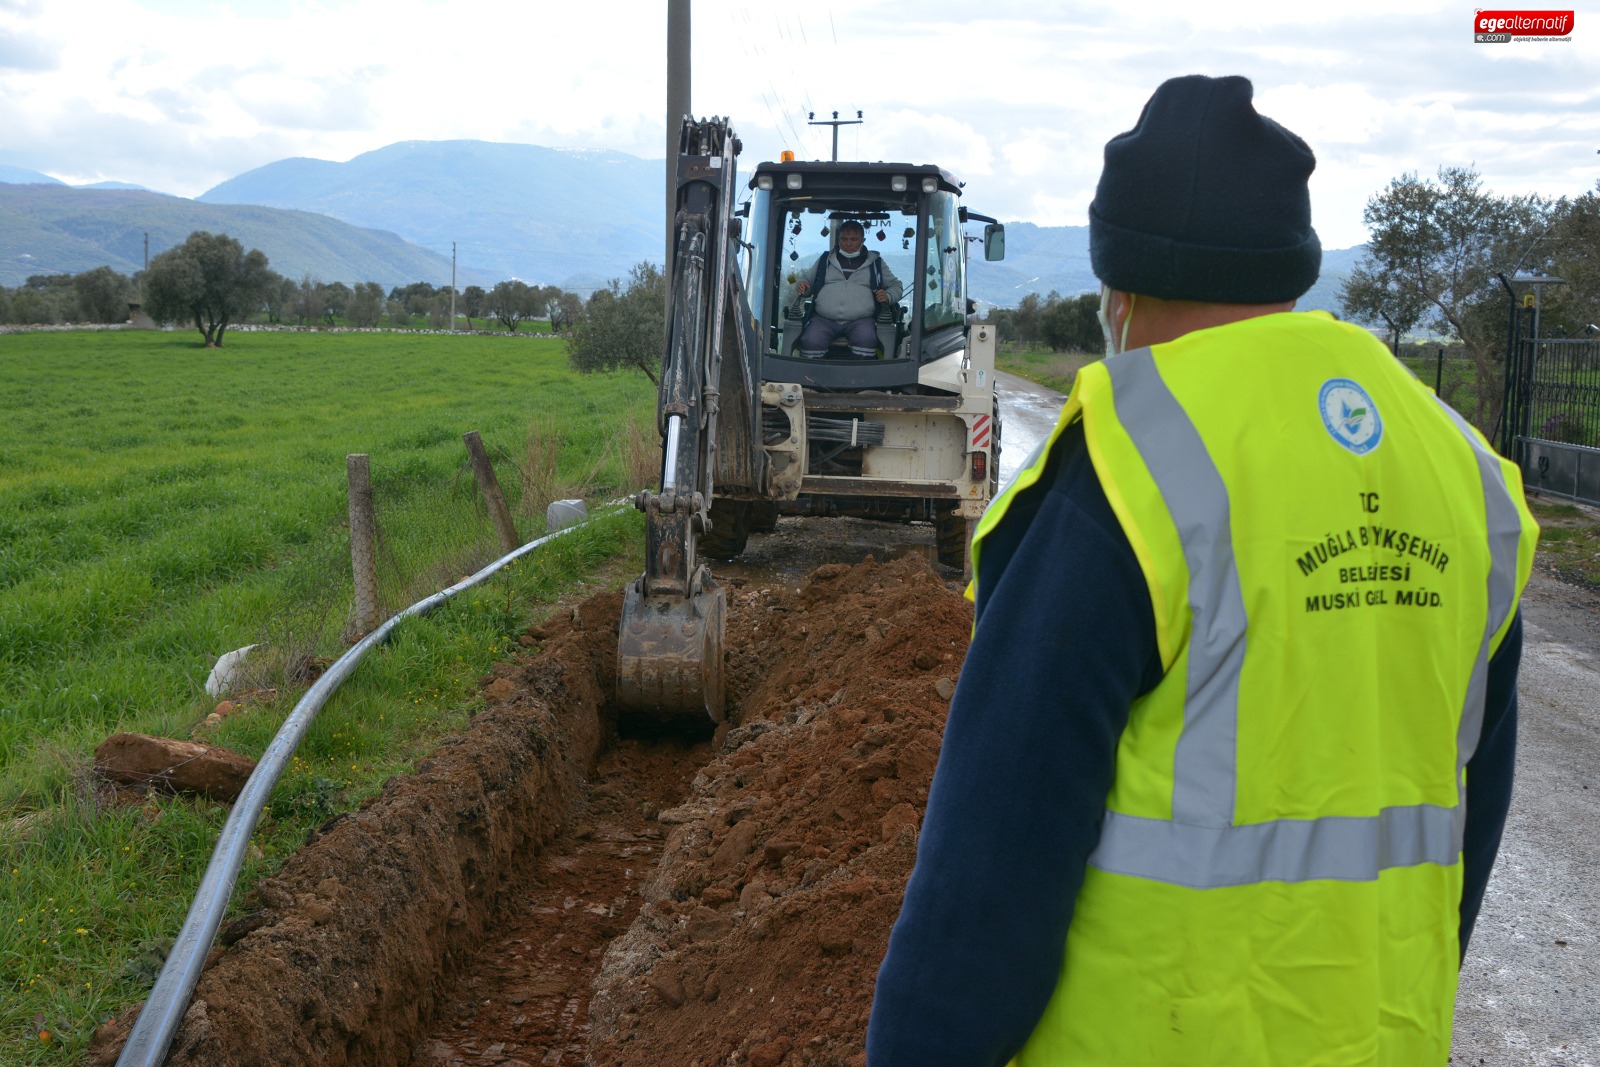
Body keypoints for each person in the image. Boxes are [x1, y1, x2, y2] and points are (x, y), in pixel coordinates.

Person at [865, 74, 1539, 1066]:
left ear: (1118, 288)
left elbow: (990, 875)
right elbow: (1470, 823)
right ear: (1288, 269)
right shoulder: (1461, 468)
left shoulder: (1122, 471)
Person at [794, 219, 903, 358]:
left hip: (861, 320)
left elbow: (896, 286)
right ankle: (812, 377)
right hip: (824, 319)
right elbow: (807, 282)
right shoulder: (825, 260)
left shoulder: (875, 263)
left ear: (862, 240)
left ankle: (860, 378)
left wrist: (888, 296)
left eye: (854, 239)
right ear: (839, 239)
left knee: (867, 340)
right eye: (844, 239)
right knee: (810, 341)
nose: (848, 243)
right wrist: (803, 286)